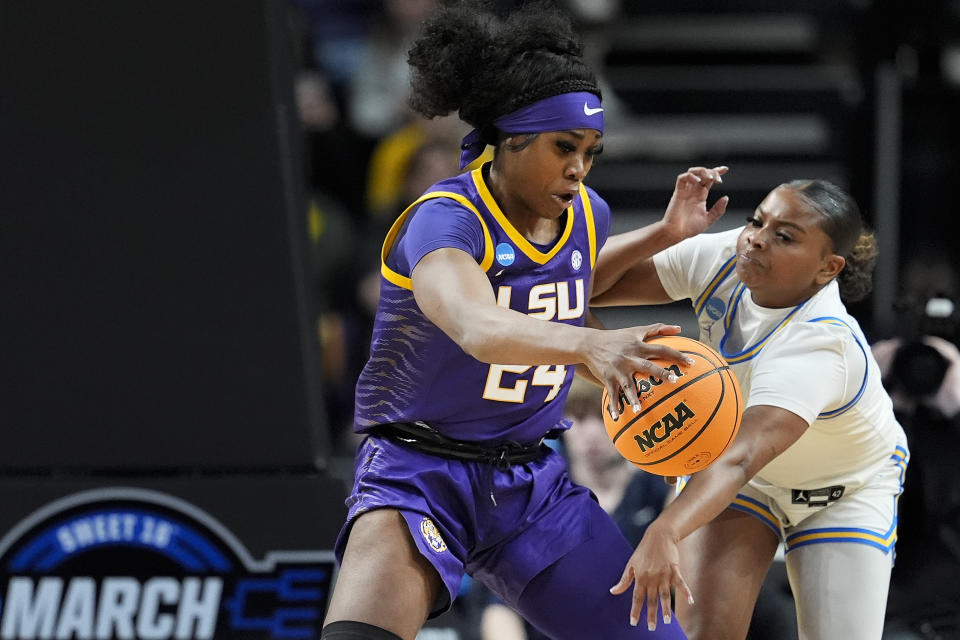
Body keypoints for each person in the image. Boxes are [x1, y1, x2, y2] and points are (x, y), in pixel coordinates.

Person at [319, 2, 730, 639]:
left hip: (529, 482)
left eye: (591, 151)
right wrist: (591, 345)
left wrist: (664, 235)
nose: (579, 167)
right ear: (510, 139)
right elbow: (478, 326)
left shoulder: (587, 211)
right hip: (419, 473)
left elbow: (569, 283)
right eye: (564, 147)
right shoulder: (445, 218)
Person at [593, 179, 910, 639]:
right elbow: (578, 285)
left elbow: (740, 458)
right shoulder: (727, 257)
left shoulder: (821, 342)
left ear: (828, 268)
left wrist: (665, 529)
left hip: (841, 491)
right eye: (757, 221)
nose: (758, 237)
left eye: (785, 236)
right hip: (744, 474)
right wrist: (663, 232)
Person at [480, 377, 671, 640]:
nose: (592, 433)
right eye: (579, 418)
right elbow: (500, 610)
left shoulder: (661, 490)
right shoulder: (538, 495)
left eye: (603, 418)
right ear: (562, 423)